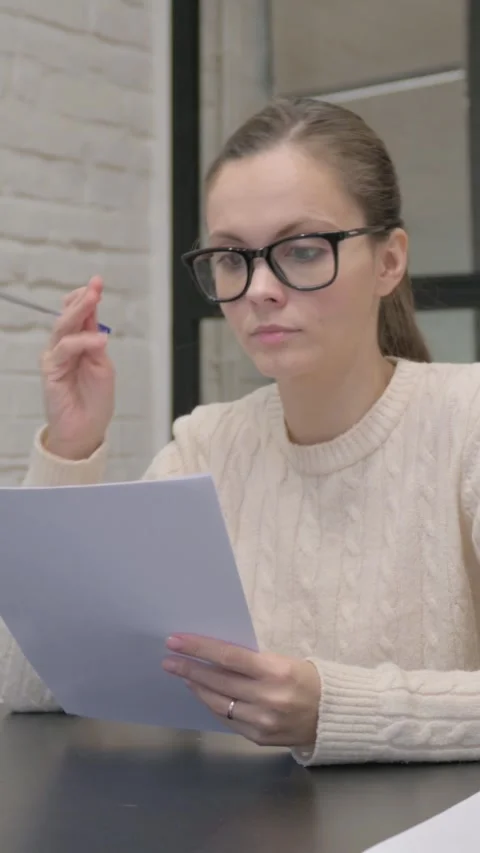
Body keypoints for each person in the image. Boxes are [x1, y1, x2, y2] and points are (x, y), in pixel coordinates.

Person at [2, 95, 480, 767]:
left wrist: (330, 708)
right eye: (231, 258)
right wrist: (71, 447)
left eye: (303, 249)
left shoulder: (467, 421)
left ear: (389, 260)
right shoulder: (208, 446)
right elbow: (32, 686)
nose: (258, 288)